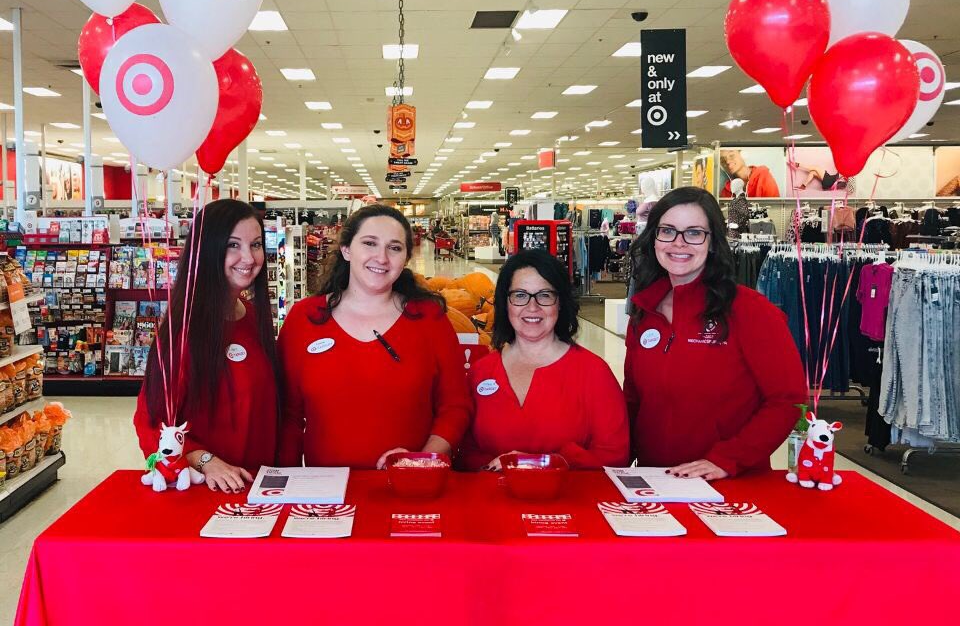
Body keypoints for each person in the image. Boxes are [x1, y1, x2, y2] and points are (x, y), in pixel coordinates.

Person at [625, 187, 806, 479]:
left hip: (729, 484)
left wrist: (728, 459)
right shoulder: (645, 311)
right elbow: (634, 399)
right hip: (655, 480)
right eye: (668, 231)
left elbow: (787, 401)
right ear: (654, 238)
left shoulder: (749, 310)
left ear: (712, 243)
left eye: (694, 233)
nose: (679, 243)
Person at [278, 204, 471, 469]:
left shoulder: (429, 318)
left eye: (394, 247)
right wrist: (286, 483)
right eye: (369, 243)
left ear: (405, 258)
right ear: (346, 250)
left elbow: (455, 405)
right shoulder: (304, 318)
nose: (381, 257)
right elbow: (289, 416)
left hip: (409, 488)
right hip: (325, 495)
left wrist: (424, 461)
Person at [134, 199, 282, 492]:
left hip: (258, 487)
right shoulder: (185, 330)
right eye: (233, 245)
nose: (249, 258)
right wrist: (205, 461)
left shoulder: (253, 317)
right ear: (207, 250)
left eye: (255, 245)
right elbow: (151, 421)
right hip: (208, 489)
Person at [458, 250, 629, 470]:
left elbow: (614, 456)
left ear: (560, 303)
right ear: (505, 302)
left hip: (570, 501)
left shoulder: (594, 372)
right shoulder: (480, 372)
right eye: (520, 295)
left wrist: (546, 463)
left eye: (545, 295)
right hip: (494, 500)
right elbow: (465, 454)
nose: (532, 307)